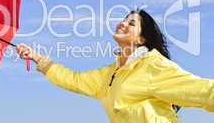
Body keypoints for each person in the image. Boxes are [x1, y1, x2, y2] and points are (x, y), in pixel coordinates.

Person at [16, 9, 214, 123]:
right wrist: (36, 57)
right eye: (124, 19)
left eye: (132, 23)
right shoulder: (110, 73)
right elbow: (73, 80)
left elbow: (201, 91)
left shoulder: (153, 66)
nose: (122, 23)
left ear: (142, 38)